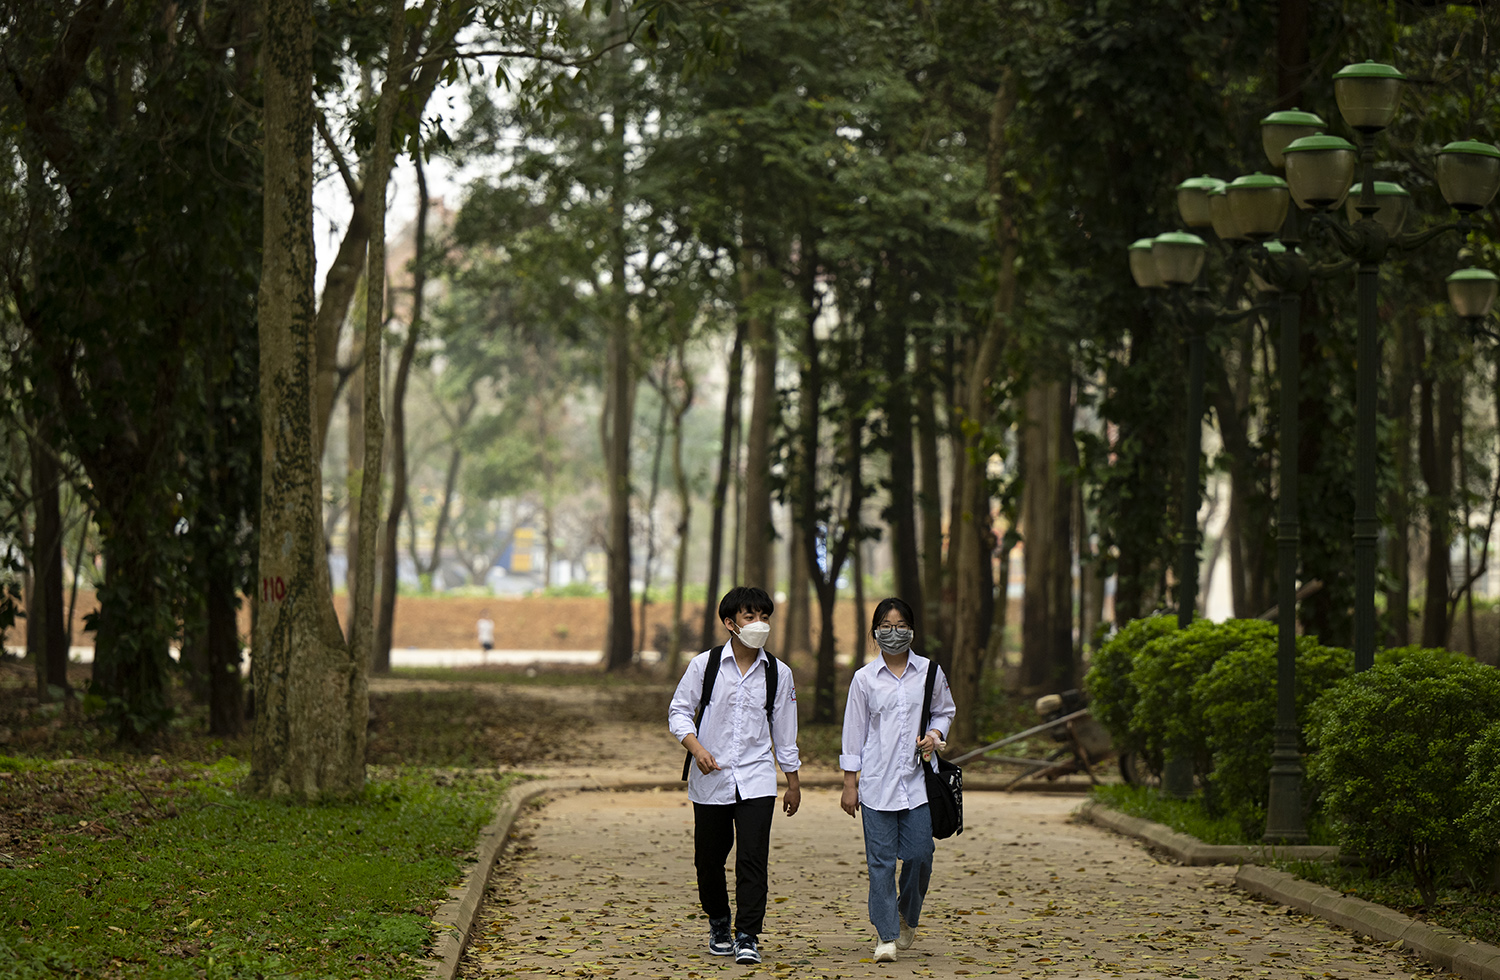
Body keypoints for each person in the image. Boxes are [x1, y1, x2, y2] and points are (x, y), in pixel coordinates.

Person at [668, 586, 801, 966]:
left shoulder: (779, 673)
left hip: (757, 777)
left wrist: (792, 783)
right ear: (730, 623)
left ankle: (748, 934)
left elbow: (785, 731)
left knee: (753, 857)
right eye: (749, 616)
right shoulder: (705, 666)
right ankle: (719, 921)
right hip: (710, 778)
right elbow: (679, 711)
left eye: (764, 616)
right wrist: (697, 748)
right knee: (709, 859)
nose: (759, 624)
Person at [839, 596, 955, 963]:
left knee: (921, 855)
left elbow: (944, 711)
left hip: (918, 781)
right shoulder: (864, 679)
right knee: (881, 863)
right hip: (875, 782)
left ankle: (907, 915)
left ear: (912, 630)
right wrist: (849, 783)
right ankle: (886, 934)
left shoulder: (930, 672)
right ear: (875, 633)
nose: (894, 633)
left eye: (901, 626)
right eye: (886, 627)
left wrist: (935, 736)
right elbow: (853, 731)